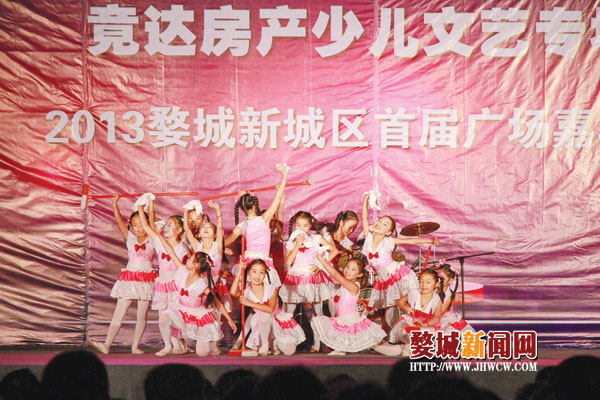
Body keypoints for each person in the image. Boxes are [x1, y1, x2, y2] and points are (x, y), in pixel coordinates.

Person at [361, 193, 439, 327]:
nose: (379, 223)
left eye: (385, 224)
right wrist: (366, 200)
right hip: (382, 278)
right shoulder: (368, 238)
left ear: (387, 232)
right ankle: (386, 330)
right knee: (388, 305)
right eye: (379, 221)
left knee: (395, 303)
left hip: (396, 274)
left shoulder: (389, 241)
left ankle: (421, 321)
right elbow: (364, 217)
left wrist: (430, 240)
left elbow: (411, 241)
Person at [91, 195, 156, 354]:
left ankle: (135, 346)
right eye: (135, 225)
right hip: (129, 277)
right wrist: (115, 204)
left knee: (142, 315)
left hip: (146, 278)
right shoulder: (130, 238)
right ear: (131, 226)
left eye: (142, 224)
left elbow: (152, 220)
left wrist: (150, 204)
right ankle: (107, 344)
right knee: (119, 312)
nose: (139, 228)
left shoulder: (153, 237)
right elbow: (119, 221)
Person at [154, 242, 236, 357]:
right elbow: (171, 253)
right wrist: (160, 237)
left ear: (196, 265)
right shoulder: (183, 272)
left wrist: (230, 320)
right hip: (183, 311)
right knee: (164, 317)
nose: (187, 259)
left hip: (198, 316)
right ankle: (168, 346)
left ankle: (208, 344)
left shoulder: (202, 284)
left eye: (190, 258)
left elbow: (217, 302)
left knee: (202, 353)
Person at [137, 201, 189, 354]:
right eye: (166, 224)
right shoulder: (160, 243)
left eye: (170, 225)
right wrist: (140, 208)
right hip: (162, 283)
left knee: (175, 315)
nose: (166, 227)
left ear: (179, 230)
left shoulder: (182, 247)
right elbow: (146, 226)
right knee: (162, 315)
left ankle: (177, 344)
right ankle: (169, 344)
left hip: (175, 284)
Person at [225, 164, 288, 286]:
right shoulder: (264, 219)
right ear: (256, 205)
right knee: (263, 292)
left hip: (247, 261)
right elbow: (278, 198)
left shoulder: (241, 226)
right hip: (261, 261)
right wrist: (284, 176)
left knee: (250, 292)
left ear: (241, 208)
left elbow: (221, 244)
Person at [310, 254, 386, 355]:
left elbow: (334, 274)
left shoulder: (353, 286)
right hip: (343, 320)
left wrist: (321, 259)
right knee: (318, 322)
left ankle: (403, 348)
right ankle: (341, 349)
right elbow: (331, 276)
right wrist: (320, 268)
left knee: (385, 349)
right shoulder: (345, 284)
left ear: (360, 274)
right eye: (347, 267)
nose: (348, 271)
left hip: (351, 321)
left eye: (353, 269)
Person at [230, 259, 305, 355]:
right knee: (264, 316)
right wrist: (240, 273)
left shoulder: (271, 289)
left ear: (265, 274)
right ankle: (265, 345)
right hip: (263, 324)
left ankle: (274, 343)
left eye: (261, 272)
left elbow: (270, 309)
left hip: (277, 322)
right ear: (248, 273)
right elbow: (233, 292)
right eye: (254, 272)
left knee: (289, 350)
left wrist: (249, 303)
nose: (257, 276)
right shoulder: (247, 292)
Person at [280, 211, 339, 319]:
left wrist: (321, 265)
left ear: (310, 226)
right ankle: (289, 329)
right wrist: (297, 244)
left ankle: (318, 329)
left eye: (305, 225)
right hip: (296, 276)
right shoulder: (291, 241)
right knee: (290, 311)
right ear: (294, 225)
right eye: (299, 225)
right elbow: (288, 262)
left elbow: (334, 250)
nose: (302, 228)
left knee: (317, 311)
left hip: (313, 276)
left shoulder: (316, 238)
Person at [388, 268, 443, 346]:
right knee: (403, 331)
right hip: (410, 321)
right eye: (421, 282)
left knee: (427, 337)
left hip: (425, 324)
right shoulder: (414, 293)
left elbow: (437, 317)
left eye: (428, 282)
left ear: (436, 283)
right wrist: (406, 308)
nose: (424, 285)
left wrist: (426, 324)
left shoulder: (436, 299)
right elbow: (400, 302)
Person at [436, 263, 473, 333]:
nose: (438, 280)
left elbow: (439, 313)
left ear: (450, 280)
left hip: (446, 321)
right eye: (437, 277)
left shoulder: (448, 295)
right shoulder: (434, 290)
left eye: (442, 278)